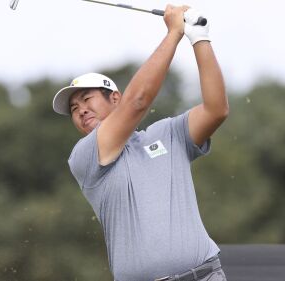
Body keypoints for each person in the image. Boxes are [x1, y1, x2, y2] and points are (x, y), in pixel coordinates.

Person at [52, 4, 229, 281]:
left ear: (114, 98)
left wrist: (199, 39)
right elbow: (138, 101)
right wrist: (174, 33)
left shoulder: (167, 133)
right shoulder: (85, 156)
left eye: (86, 99)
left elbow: (216, 110)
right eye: (73, 109)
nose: (81, 110)